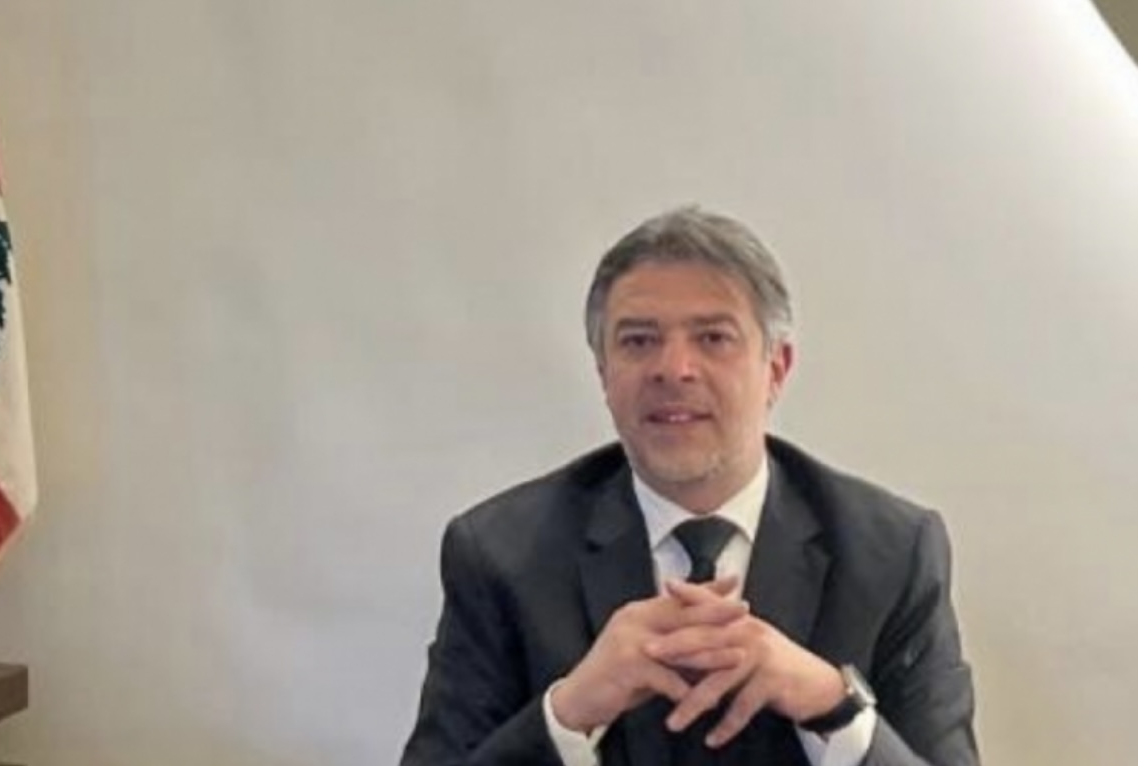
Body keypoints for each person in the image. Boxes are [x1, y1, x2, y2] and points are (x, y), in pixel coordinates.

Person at [400, 207, 978, 766]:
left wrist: (833, 707)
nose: (673, 369)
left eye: (713, 338)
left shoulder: (892, 553)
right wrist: (568, 713)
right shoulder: (502, 556)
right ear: (603, 374)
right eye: (638, 341)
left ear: (776, 369)